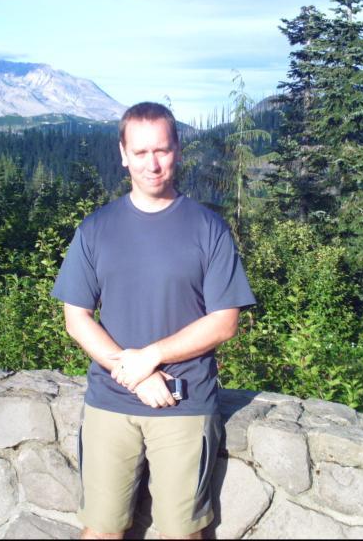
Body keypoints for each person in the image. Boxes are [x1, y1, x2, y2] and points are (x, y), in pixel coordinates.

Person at [51, 101, 255, 539]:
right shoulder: (96, 229)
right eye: (140, 153)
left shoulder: (209, 229)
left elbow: (224, 321)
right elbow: (76, 317)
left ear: (178, 150)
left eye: (161, 150)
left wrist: (152, 357)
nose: (152, 163)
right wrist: (133, 373)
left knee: (181, 534)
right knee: (101, 529)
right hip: (110, 403)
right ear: (123, 154)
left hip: (185, 403)